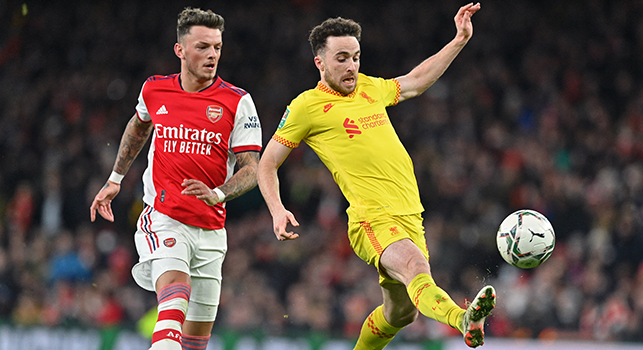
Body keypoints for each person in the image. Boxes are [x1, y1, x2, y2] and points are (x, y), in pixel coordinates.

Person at [258, 3, 495, 349]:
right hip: (372, 217)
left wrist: (459, 40)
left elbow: (414, 82)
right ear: (319, 63)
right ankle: (463, 319)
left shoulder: (369, 88)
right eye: (341, 58)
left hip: (411, 215)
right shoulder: (305, 107)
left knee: (401, 313)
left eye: (355, 56)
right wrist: (278, 210)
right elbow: (267, 164)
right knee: (416, 268)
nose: (351, 66)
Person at [90, 8, 262, 350]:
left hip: (212, 230)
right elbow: (138, 127)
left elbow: (252, 169)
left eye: (217, 47)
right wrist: (115, 178)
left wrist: (218, 193)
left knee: (195, 342)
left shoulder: (237, 101)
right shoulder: (155, 90)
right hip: (165, 218)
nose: (212, 55)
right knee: (173, 303)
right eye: (202, 47)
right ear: (180, 50)